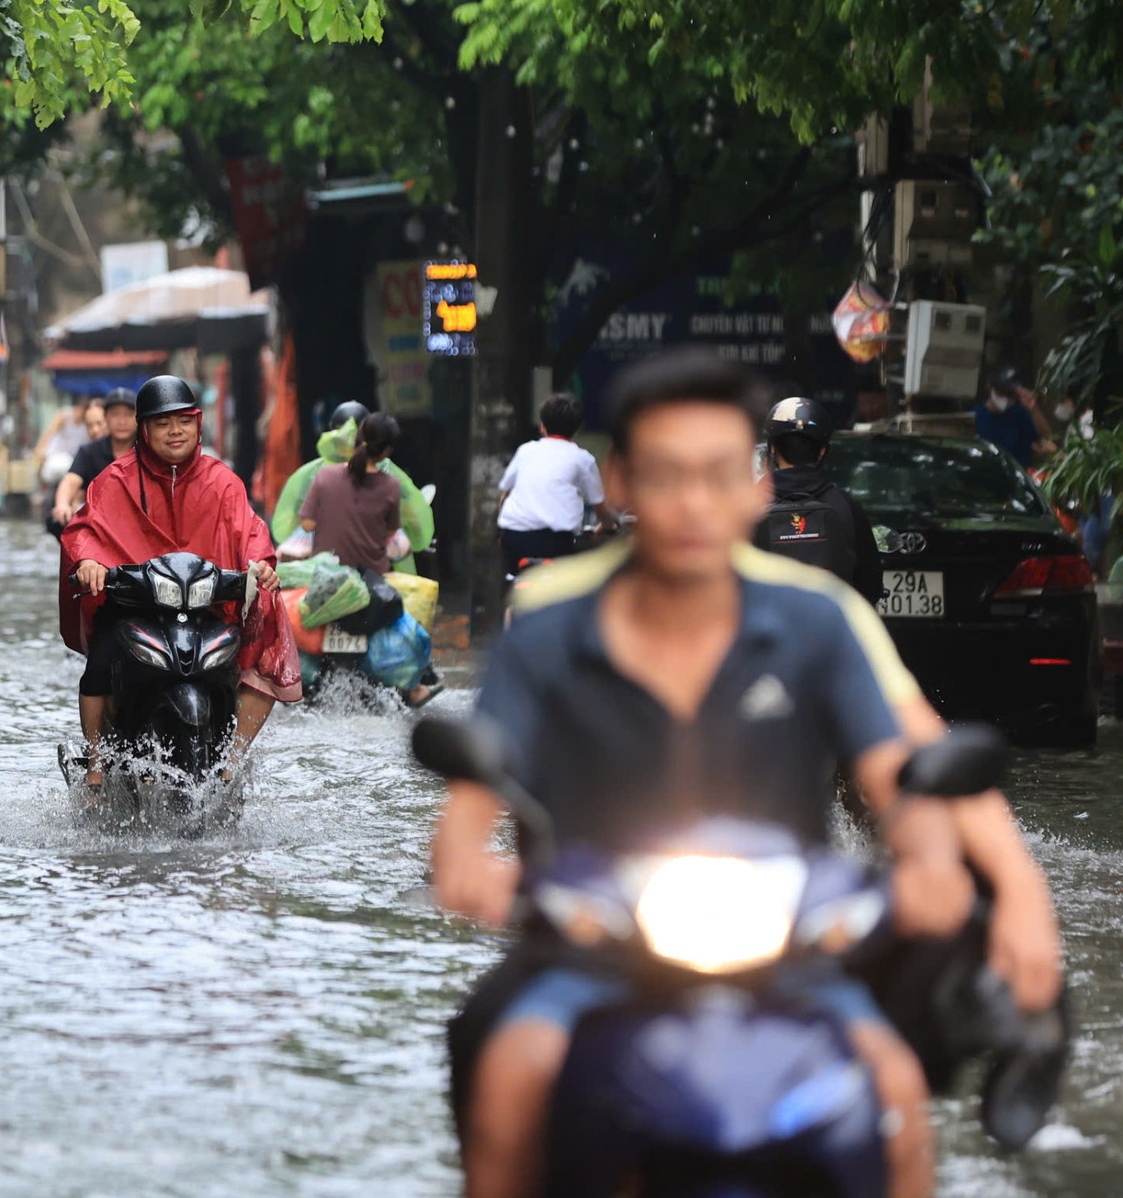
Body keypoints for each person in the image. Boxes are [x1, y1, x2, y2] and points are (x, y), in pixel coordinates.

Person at [427, 349, 1061, 1198]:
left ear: (756, 486)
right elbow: (472, 803)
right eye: (666, 475)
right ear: (617, 483)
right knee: (509, 1072)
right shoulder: (548, 620)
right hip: (592, 952)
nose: (693, 503)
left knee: (897, 1095)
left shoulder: (817, 619)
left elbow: (908, 759)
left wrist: (1003, 885)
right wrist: (471, 866)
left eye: (719, 474)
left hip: (790, 953)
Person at [60, 376, 302, 786]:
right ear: (144, 430)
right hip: (134, 603)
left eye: (184, 422)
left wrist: (261, 565)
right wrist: (89, 561)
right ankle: (97, 767)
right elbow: (85, 530)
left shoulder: (223, 480)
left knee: (266, 627)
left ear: (198, 424)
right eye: (163, 423)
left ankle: (233, 758)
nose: (176, 431)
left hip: (208, 604)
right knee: (100, 658)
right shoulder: (114, 479)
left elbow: (251, 532)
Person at [296, 411, 440, 706]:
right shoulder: (391, 486)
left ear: (357, 439)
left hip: (325, 584)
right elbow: (391, 533)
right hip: (373, 588)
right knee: (415, 653)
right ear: (387, 450)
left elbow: (307, 525)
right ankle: (416, 688)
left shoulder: (324, 476)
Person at [270, 400, 435, 573]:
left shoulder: (316, 475)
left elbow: (287, 528)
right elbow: (415, 528)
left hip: (326, 573)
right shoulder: (390, 478)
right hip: (377, 576)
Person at [755, 396, 883, 605]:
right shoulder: (846, 507)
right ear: (822, 451)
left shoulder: (746, 508)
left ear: (772, 449)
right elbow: (870, 585)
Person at [495, 391, 613, 583]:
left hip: (514, 538)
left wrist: (500, 533)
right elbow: (599, 505)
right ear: (576, 429)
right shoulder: (582, 459)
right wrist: (607, 526)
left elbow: (505, 495)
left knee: (516, 588)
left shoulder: (525, 451)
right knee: (561, 591)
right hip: (555, 543)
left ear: (542, 426)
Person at [50, 387, 135, 530]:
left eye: (128, 414)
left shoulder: (147, 449)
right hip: (99, 525)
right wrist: (62, 505)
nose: (122, 421)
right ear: (106, 417)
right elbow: (70, 482)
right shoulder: (88, 452)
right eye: (115, 415)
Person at [974, 364, 1054, 468]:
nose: (1006, 398)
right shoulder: (976, 417)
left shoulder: (1020, 415)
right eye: (1002, 392)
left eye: (1010, 394)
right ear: (990, 388)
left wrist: (1033, 409)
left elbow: (1048, 438)